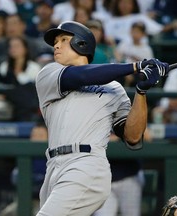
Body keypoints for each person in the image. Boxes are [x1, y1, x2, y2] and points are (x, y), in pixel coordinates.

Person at [35, 20, 169, 215]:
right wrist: (135, 66)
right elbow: (81, 77)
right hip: (54, 167)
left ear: (81, 44)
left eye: (63, 39)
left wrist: (141, 92)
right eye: (56, 41)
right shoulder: (49, 73)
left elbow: (132, 137)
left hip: (86, 164)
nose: (56, 45)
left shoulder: (114, 89)